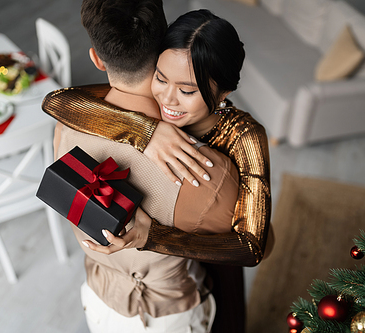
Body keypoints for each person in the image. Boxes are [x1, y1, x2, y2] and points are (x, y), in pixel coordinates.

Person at [43, 7, 272, 333]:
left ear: (224, 92)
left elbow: (254, 244)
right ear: (157, 58)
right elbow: (56, 100)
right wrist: (144, 131)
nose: (167, 99)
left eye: (187, 90)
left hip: (122, 292)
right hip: (134, 301)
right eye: (161, 79)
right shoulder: (153, 119)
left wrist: (154, 236)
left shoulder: (243, 136)